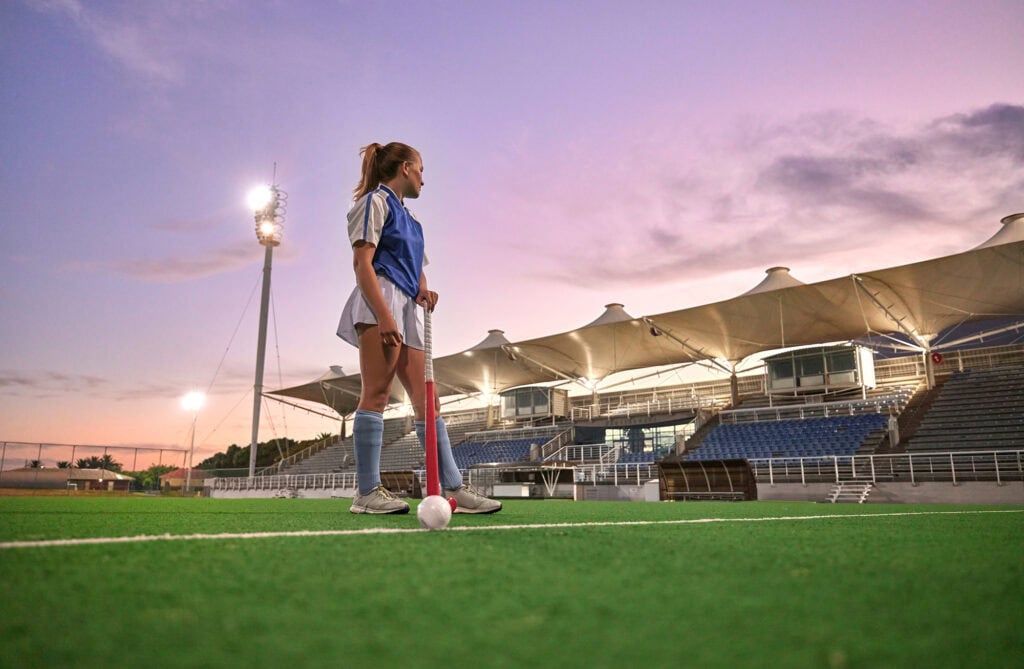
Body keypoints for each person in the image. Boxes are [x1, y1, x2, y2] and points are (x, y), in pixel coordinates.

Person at [337, 141, 502, 515]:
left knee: (429, 402)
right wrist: (383, 315)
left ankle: (456, 489)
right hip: (381, 299)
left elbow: (415, 265)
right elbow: (362, 263)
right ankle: (365, 493)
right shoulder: (373, 202)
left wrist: (424, 287)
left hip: (409, 306)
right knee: (377, 393)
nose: (425, 180)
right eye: (422, 170)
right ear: (407, 168)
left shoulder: (412, 221)